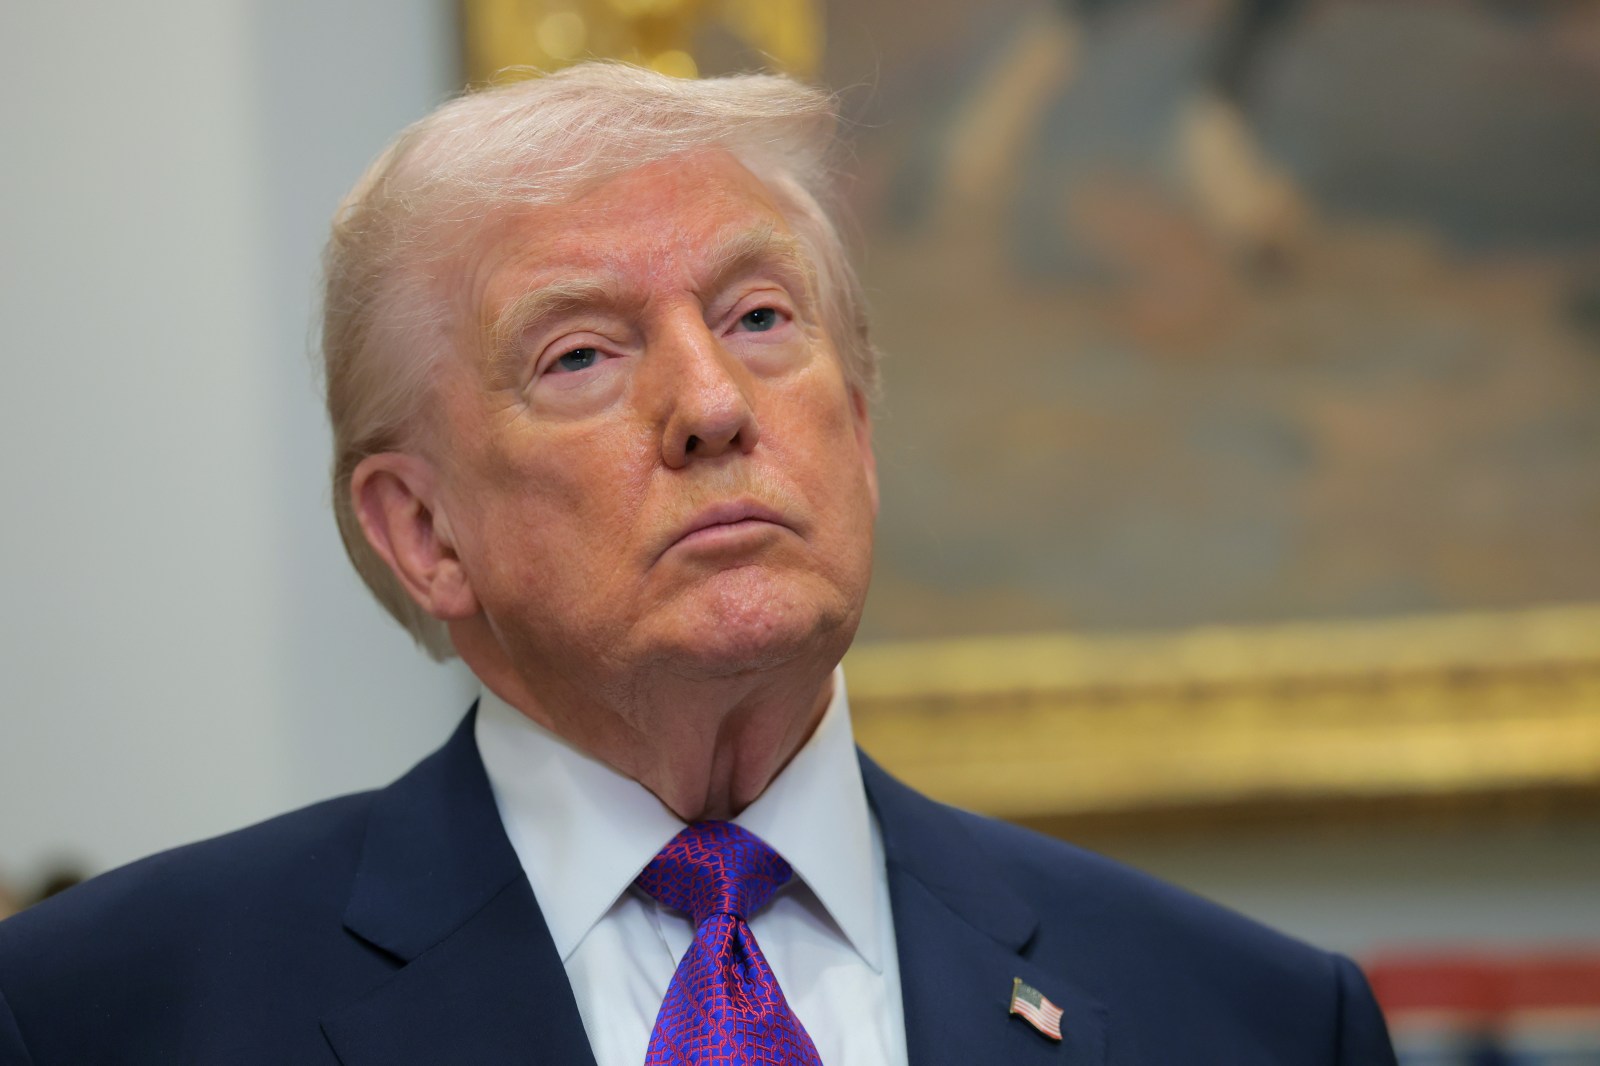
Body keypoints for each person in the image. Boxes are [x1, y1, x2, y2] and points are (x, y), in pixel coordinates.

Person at [0, 63, 1397, 1065]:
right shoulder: (100, 1012)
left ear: (857, 430)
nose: (715, 403)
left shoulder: (1257, 1020)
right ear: (423, 531)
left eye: (761, 315)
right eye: (583, 353)